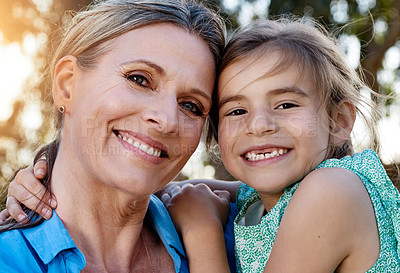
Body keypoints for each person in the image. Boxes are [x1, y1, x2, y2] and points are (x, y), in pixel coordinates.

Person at [0, 0, 236, 272]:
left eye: (191, 106)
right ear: (67, 85)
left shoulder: (237, 244)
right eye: (139, 79)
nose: (167, 121)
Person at [161, 18, 400, 272]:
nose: (259, 125)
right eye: (237, 111)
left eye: (286, 105)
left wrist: (201, 230)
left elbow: (195, 205)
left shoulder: (331, 190)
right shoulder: (261, 196)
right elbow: (180, 191)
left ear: (338, 122)